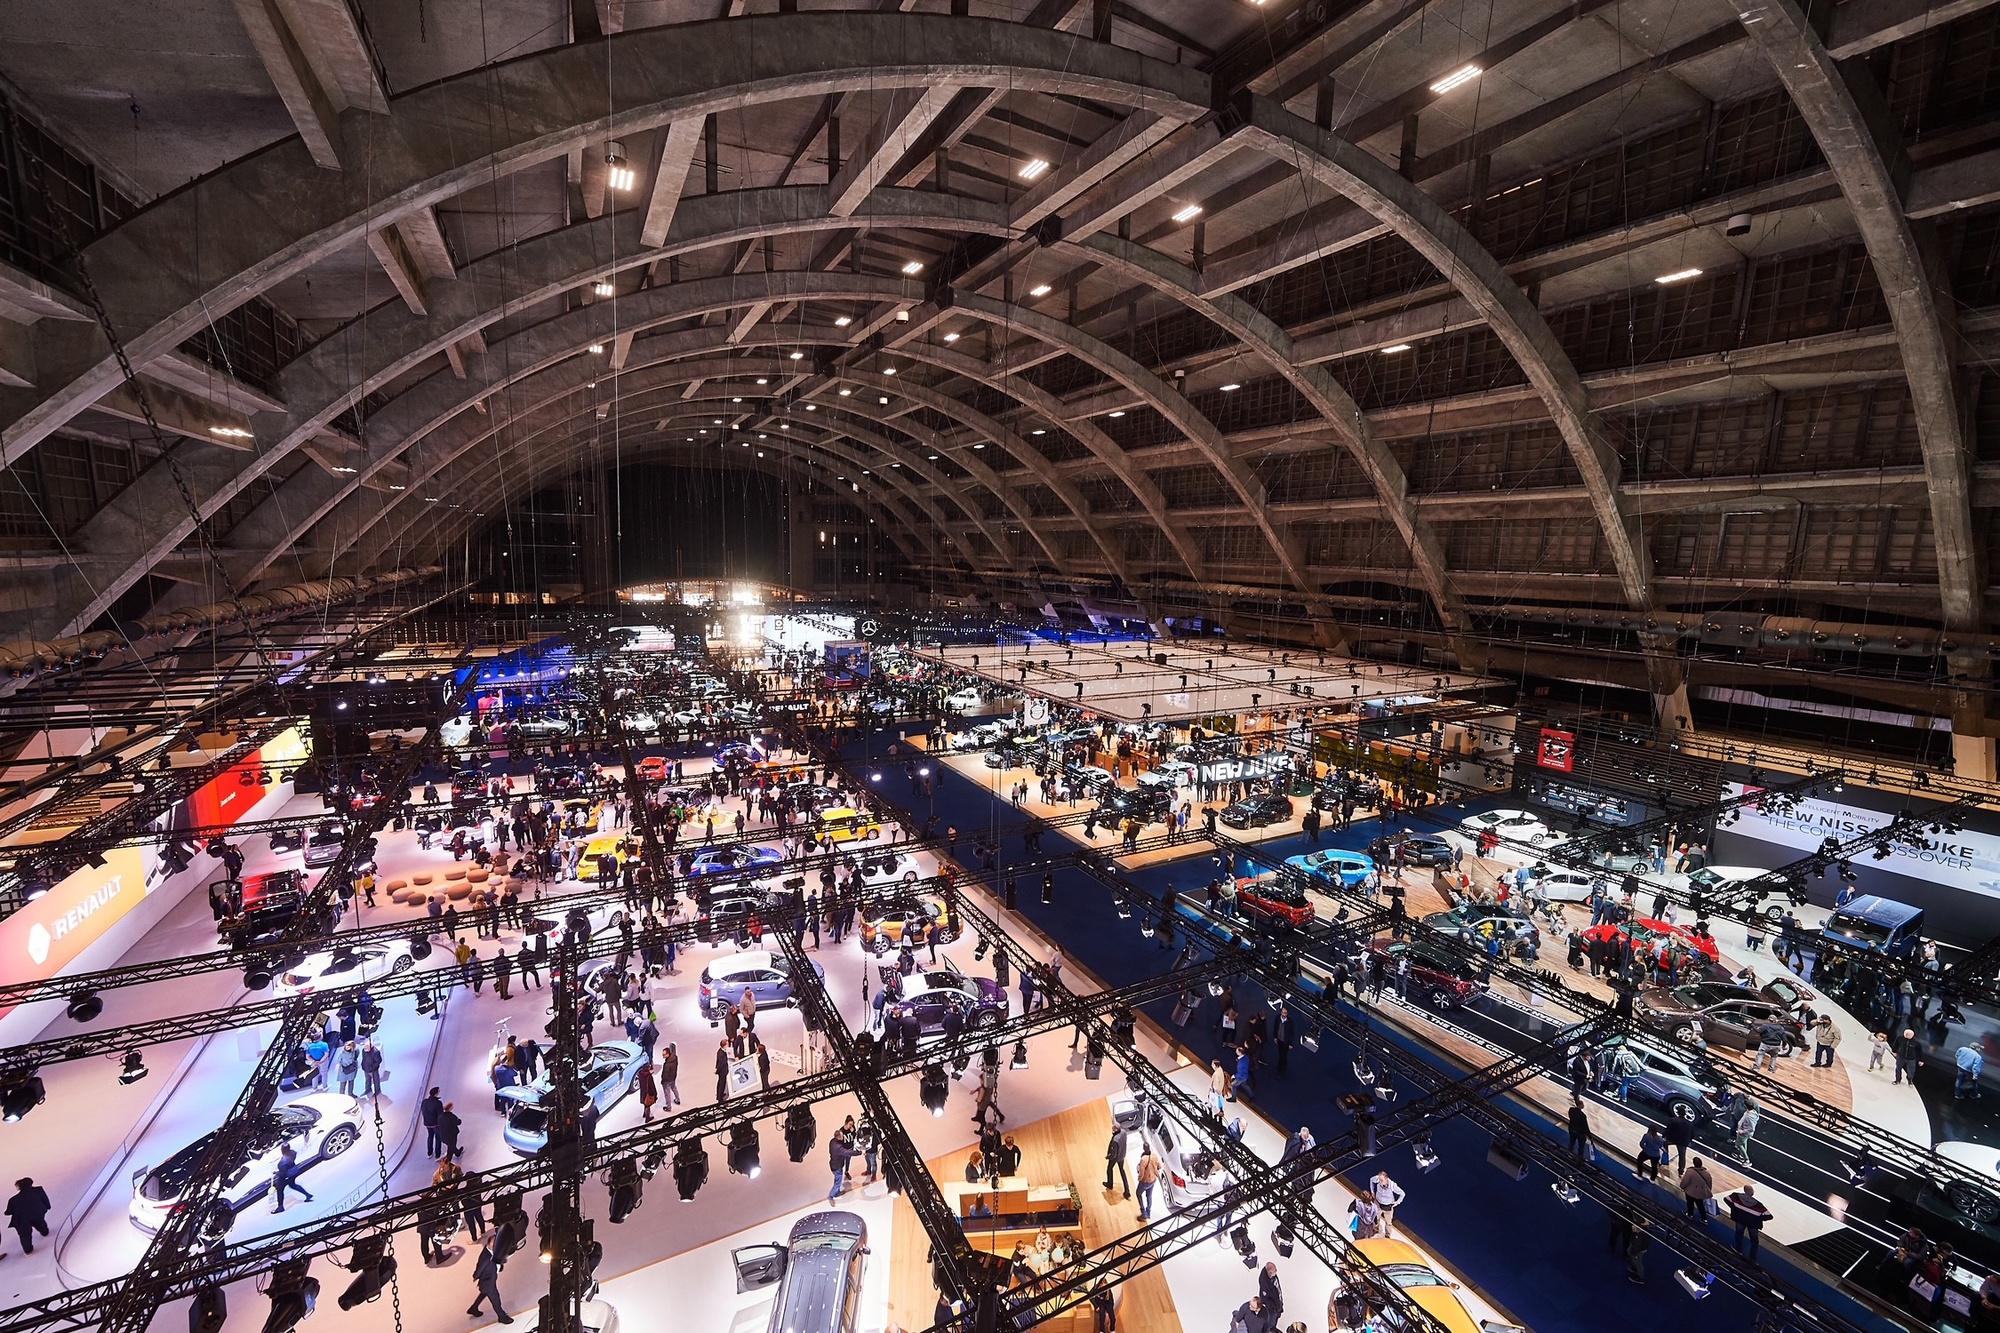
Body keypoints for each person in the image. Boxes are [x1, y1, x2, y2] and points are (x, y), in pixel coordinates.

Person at [468, 1232, 510, 1323]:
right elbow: (480, 1267)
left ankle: (473, 1308)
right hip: (487, 1282)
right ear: (489, 1244)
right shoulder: (486, 1257)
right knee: (496, 1300)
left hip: (489, 1279)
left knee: (484, 1293)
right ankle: (502, 1317)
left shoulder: (492, 1251)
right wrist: (475, 1276)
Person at [4, 1178, 51, 1255]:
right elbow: (45, 1200)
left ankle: (28, 1250)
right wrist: (47, 1207)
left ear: (19, 1187)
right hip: (37, 1213)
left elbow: (8, 1212)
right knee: (40, 1223)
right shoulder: (39, 1190)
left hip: (21, 1220)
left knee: (25, 1235)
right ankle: (45, 1232)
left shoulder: (13, 1200)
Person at [1725, 1183, 1772, 1258]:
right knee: (1754, 1241)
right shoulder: (1758, 1205)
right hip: (1752, 1224)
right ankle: (1752, 1257)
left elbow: (1726, 1199)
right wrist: (1756, 1218)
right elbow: (1769, 1216)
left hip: (1740, 1219)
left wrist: (1734, 1209)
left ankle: (1738, 1250)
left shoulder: (1736, 1196)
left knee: (1739, 1234)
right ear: (1752, 1193)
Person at [270, 1143, 314, 1212]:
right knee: (293, 1185)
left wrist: (277, 1173)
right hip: (294, 1171)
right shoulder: (293, 1153)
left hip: (286, 1176)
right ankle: (308, 1195)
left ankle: (280, 1207)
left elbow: (283, 1172)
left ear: (282, 1150)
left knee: (280, 1190)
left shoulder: (282, 1162)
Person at [1369, 1171, 1405, 1238]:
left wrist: (1397, 1202)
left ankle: (1387, 1235)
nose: (1379, 1181)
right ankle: (1376, 1230)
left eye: (1381, 1180)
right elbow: (1371, 1180)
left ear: (1386, 1179)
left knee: (1388, 1222)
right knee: (1376, 1218)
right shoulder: (1378, 1179)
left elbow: (1402, 1194)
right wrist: (1372, 1192)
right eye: (1379, 1179)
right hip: (1378, 1203)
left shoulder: (1392, 1185)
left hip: (1387, 1206)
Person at [1104, 1124, 1130, 1199]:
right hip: (1122, 1155)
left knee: (1109, 1169)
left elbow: (1113, 1154)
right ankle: (1127, 1191)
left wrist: (1108, 1157)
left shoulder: (1115, 1139)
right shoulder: (1124, 1132)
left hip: (1116, 1157)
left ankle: (1110, 1184)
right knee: (1122, 1171)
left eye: (1113, 1129)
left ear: (1115, 1130)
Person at [1135, 1145, 1161, 1221]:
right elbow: (1159, 1166)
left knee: (1138, 1194)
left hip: (1145, 1181)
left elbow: (1141, 1172)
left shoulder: (1143, 1159)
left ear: (1143, 1148)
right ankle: (1148, 1212)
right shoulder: (1154, 1156)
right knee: (1149, 1196)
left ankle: (1143, 1214)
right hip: (1153, 1180)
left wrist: (1139, 1179)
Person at [1732, 1096, 1760, 1164]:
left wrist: (1742, 1131)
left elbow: (1751, 1128)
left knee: (1739, 1145)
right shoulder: (1751, 1112)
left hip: (1744, 1133)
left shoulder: (1750, 1116)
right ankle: (1742, 1155)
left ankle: (1746, 1160)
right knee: (1744, 1143)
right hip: (1743, 1131)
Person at [422, 1087, 446, 1158]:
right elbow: (440, 1115)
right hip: (435, 1124)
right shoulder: (438, 1103)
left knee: (430, 1136)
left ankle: (429, 1153)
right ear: (436, 1093)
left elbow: (423, 1110)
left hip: (427, 1123)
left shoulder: (424, 1101)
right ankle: (437, 1155)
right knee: (438, 1138)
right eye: (438, 1091)